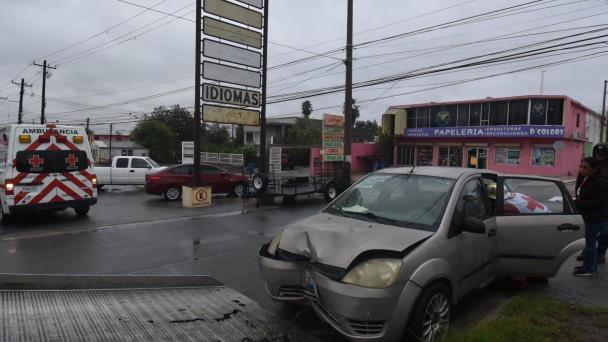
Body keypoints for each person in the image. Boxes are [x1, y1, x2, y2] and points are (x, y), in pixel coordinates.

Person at [573, 157, 608, 277]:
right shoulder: (588, 178)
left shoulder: (600, 182)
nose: (582, 170)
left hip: (597, 218)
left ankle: (589, 268)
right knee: (589, 243)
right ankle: (588, 265)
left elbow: (598, 202)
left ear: (594, 169)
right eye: (580, 166)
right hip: (590, 217)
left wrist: (578, 203)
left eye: (585, 167)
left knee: (591, 244)